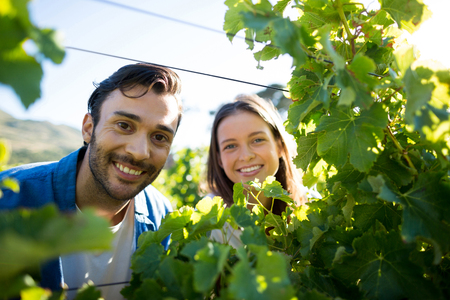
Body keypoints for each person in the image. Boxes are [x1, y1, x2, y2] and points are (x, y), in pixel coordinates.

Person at [0, 63, 182, 298]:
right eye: (124, 125)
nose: (139, 152)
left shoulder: (162, 215)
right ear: (88, 128)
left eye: (159, 137)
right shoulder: (9, 198)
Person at [206, 94, 309, 248]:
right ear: (219, 159)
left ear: (279, 145)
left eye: (257, 140)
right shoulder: (208, 222)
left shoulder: (310, 204)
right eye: (230, 146)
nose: (246, 156)